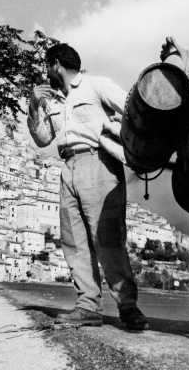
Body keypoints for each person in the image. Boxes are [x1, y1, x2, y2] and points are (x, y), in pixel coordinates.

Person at [27, 43, 148, 330]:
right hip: (67, 167)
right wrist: (33, 106)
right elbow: (43, 139)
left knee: (106, 237)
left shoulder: (97, 86)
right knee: (74, 240)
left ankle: (128, 307)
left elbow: (133, 111)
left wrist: (128, 143)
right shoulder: (53, 102)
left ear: (56, 64)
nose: (45, 73)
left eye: (46, 66)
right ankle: (87, 306)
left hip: (99, 163)